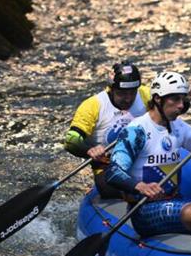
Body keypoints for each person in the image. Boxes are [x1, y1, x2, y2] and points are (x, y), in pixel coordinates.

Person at [104, 71, 191, 240]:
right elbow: (113, 172)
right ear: (158, 99)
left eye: (183, 99)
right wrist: (140, 186)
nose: (181, 106)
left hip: (175, 201)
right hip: (144, 210)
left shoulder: (178, 127)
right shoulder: (136, 131)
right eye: (175, 99)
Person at [64, 60, 158, 198]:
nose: (128, 99)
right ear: (111, 89)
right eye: (122, 93)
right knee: (109, 189)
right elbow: (71, 140)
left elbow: (169, 106)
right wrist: (89, 150)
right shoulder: (93, 105)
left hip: (144, 157)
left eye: (132, 93)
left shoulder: (145, 94)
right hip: (108, 165)